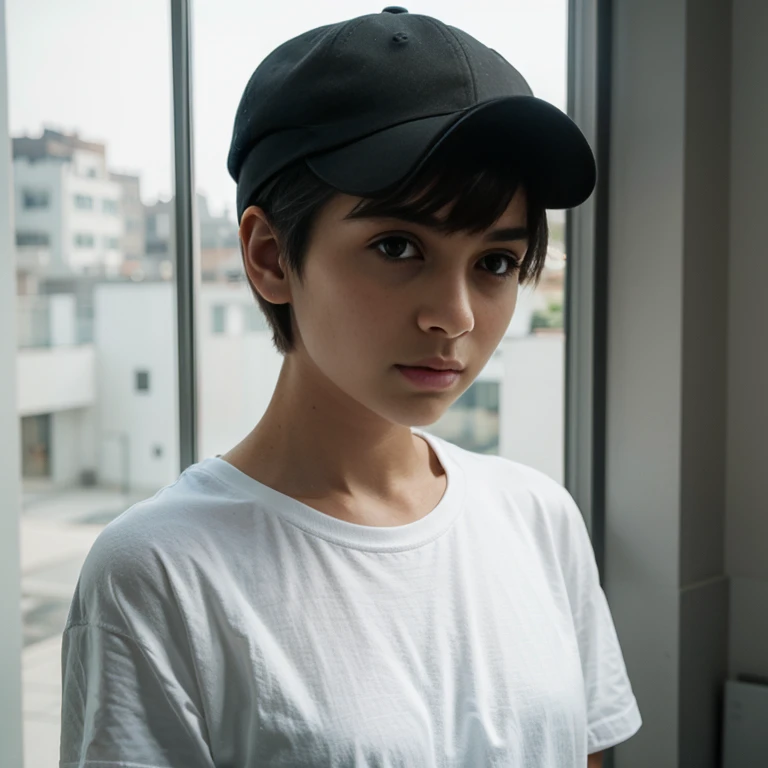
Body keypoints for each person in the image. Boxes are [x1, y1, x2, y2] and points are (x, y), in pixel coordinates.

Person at [60, 8, 642, 767]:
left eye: (496, 262)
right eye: (398, 246)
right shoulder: (160, 570)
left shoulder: (537, 517)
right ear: (270, 255)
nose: (455, 316)